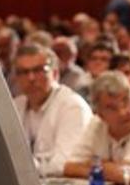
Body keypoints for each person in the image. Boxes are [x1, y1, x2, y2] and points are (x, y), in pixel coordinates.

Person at [63, 71, 130, 183]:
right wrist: (107, 169)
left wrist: (93, 165)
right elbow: (69, 168)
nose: (123, 112)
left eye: (126, 101)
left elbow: (129, 174)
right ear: (99, 113)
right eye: (112, 108)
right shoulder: (96, 123)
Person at [11, 44, 92, 177]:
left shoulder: (72, 106)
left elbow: (63, 165)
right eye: (24, 72)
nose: (31, 78)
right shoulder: (16, 105)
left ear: (55, 73)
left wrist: (21, 166)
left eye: (38, 70)